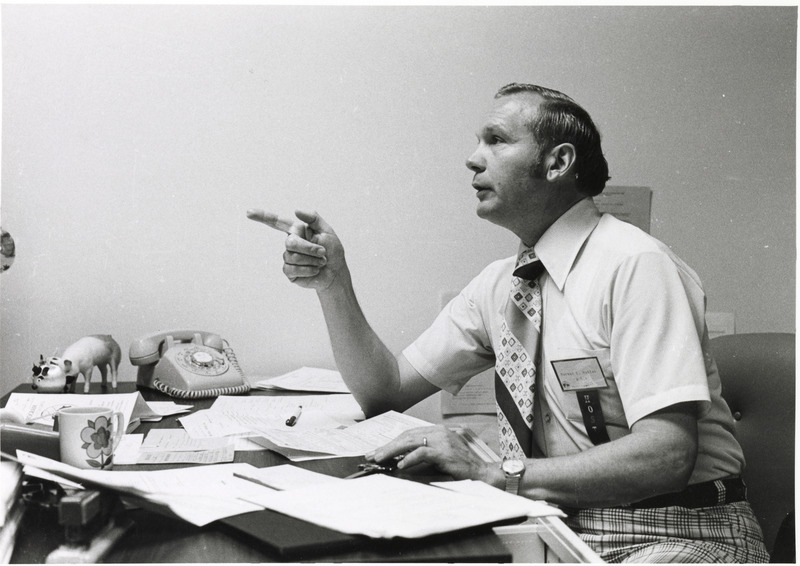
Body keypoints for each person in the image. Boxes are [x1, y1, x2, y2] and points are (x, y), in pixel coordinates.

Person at [247, 83, 769, 563]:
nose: (472, 158)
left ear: (558, 162)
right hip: (553, 520)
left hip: (679, 531)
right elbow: (385, 391)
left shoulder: (634, 265)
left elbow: (667, 456)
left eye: (496, 140)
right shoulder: (502, 285)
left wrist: (493, 471)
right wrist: (334, 284)